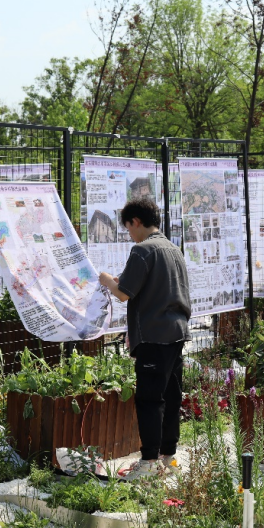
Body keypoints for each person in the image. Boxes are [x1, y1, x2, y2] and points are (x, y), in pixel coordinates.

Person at [98, 197, 192, 480]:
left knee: (150, 399)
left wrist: (107, 280)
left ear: (136, 222)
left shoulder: (142, 250)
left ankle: (149, 461)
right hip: (177, 333)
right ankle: (168, 457)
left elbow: (123, 293)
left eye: (129, 228)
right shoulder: (173, 249)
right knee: (171, 396)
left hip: (154, 335)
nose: (130, 234)